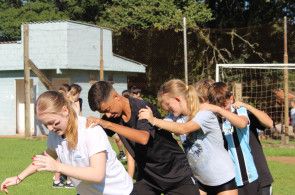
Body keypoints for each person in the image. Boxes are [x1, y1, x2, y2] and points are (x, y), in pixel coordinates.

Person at [0, 91, 134, 195]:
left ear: (65, 110)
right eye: (46, 125)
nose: (51, 129)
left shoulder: (90, 130)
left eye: (54, 123)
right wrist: (19, 177)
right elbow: (47, 156)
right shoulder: (55, 134)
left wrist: (58, 167)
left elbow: (97, 174)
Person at [87, 81, 199, 195]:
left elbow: (143, 138)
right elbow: (91, 131)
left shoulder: (142, 107)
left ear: (116, 97)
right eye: (103, 113)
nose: (108, 115)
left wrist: (108, 124)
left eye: (108, 110)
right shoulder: (115, 116)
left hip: (175, 174)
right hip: (148, 178)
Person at [138, 79, 237, 195]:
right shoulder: (175, 117)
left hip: (222, 178)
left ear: (178, 99)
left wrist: (154, 120)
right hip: (199, 180)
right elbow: (162, 127)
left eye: (168, 105)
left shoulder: (204, 113)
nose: (166, 109)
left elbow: (183, 128)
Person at [203, 82, 260, 195]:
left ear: (231, 99)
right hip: (224, 180)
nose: (222, 109)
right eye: (218, 106)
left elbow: (243, 123)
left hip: (247, 177)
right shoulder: (212, 118)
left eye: (225, 105)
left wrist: (219, 110)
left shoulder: (239, 110)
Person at [233, 101, 274, 195]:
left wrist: (248, 107)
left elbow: (269, 123)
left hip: (259, 175)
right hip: (235, 180)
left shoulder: (244, 112)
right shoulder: (215, 116)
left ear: (231, 98)